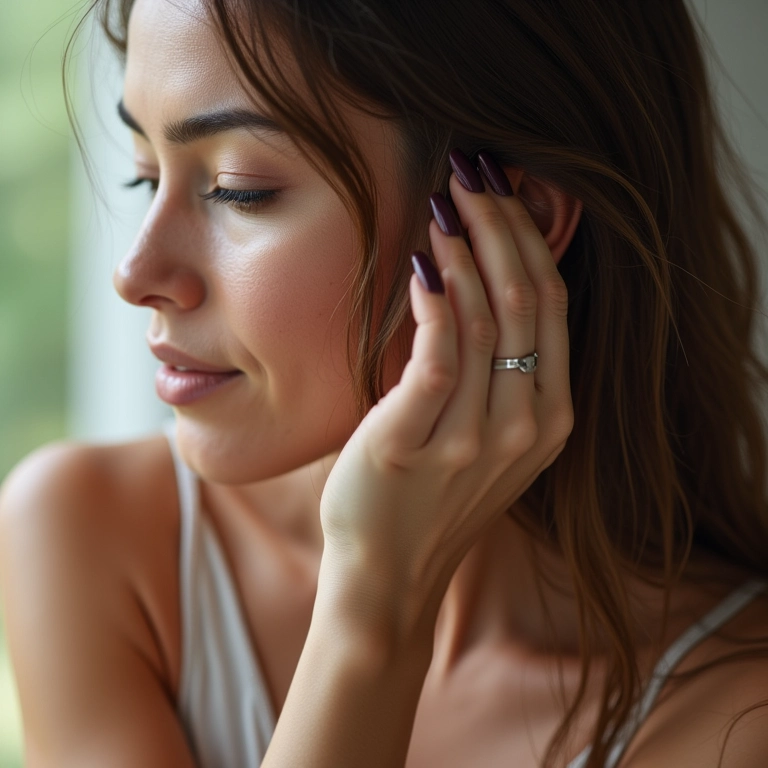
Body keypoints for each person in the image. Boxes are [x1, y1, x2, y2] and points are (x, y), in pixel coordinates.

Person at [1, 0, 768, 765]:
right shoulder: (96, 539)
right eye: (144, 177)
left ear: (514, 218)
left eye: (240, 190)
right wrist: (371, 614)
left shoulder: (735, 719)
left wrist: (377, 609)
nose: (134, 275)